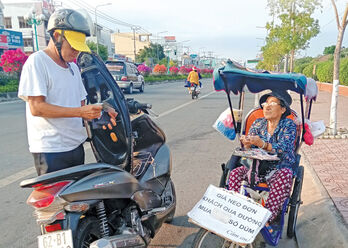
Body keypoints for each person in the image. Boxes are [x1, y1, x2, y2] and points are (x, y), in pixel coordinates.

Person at [18, 9, 116, 175]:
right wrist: (80, 112)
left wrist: (100, 111)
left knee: (78, 201)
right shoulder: (38, 62)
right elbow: (37, 108)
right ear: (57, 36)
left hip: (75, 146)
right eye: (72, 47)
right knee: (58, 200)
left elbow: (81, 108)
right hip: (51, 151)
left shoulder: (73, 68)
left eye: (79, 48)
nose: (76, 52)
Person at [228, 90, 297, 224]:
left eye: (272, 103)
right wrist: (247, 144)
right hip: (254, 168)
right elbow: (249, 148)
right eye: (265, 103)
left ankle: (268, 217)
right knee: (235, 173)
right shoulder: (258, 123)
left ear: (283, 109)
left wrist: (262, 144)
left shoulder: (288, 125)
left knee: (286, 175)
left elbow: (284, 148)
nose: (267, 106)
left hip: (277, 169)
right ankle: (235, 211)